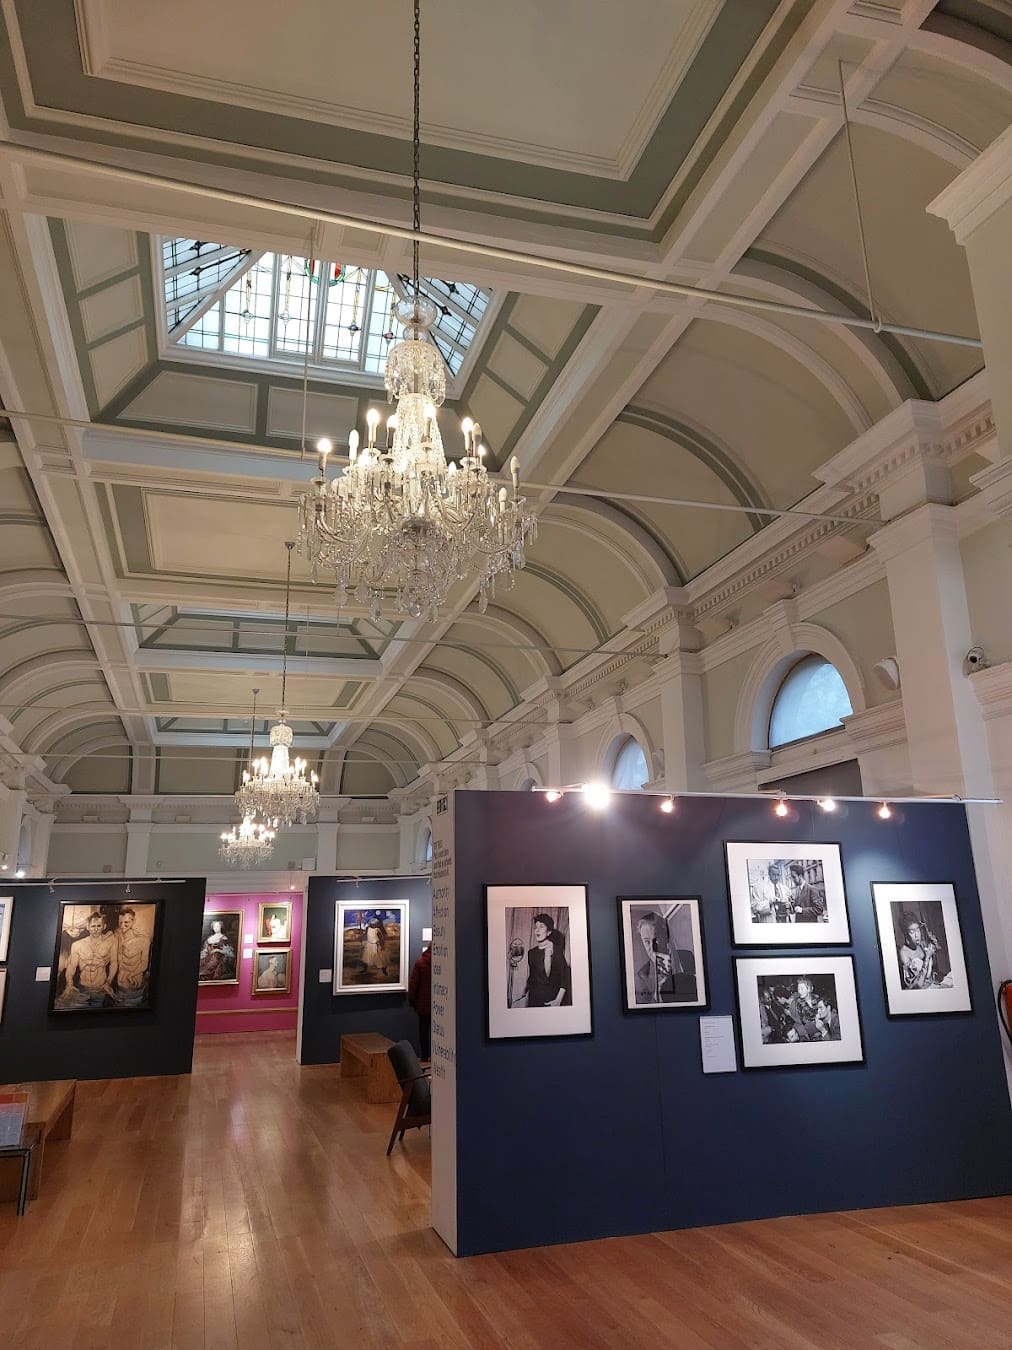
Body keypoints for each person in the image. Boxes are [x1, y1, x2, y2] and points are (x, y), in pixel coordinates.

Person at [633, 912, 696, 1004]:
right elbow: (643, 1010)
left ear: (666, 937)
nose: (652, 947)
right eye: (647, 942)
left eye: (656, 939)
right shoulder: (642, 976)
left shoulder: (687, 957)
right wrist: (657, 997)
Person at [57, 911, 117, 1008]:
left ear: (104, 926)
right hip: (82, 988)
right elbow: (71, 966)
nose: (96, 929)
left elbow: (114, 962)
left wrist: (108, 982)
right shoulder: (77, 945)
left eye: (99, 926)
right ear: (88, 927)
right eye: (93, 926)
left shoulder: (111, 942)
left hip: (101, 988)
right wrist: (69, 984)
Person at [524, 914, 571, 1008]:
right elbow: (532, 978)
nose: (537, 930)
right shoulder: (531, 953)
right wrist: (525, 995)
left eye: (541, 926)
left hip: (553, 1001)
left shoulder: (557, 951)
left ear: (549, 932)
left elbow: (564, 979)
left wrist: (558, 1000)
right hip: (534, 1001)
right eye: (536, 927)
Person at [898, 915, 952, 989]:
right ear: (906, 934)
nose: (917, 935)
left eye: (918, 930)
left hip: (933, 984)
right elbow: (917, 986)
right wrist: (927, 958)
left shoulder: (922, 944)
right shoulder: (904, 953)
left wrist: (935, 943)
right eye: (912, 932)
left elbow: (938, 949)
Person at [114, 907, 151, 1006]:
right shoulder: (117, 935)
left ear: (133, 921)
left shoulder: (143, 940)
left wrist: (131, 975)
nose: (122, 925)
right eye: (120, 922)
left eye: (126, 922)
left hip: (134, 985)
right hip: (119, 987)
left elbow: (144, 964)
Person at [787, 976, 840, 1041]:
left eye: (802, 988)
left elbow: (828, 1016)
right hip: (809, 1035)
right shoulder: (795, 1004)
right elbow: (797, 1021)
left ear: (810, 989)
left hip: (826, 1031)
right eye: (799, 989)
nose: (800, 991)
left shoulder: (818, 999)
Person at [408, 943, 432, 1060]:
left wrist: (412, 1001)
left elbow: (414, 985)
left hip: (423, 1005)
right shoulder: (443, 964)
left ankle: (424, 1056)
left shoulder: (420, 963)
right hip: (441, 1006)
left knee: (424, 1031)